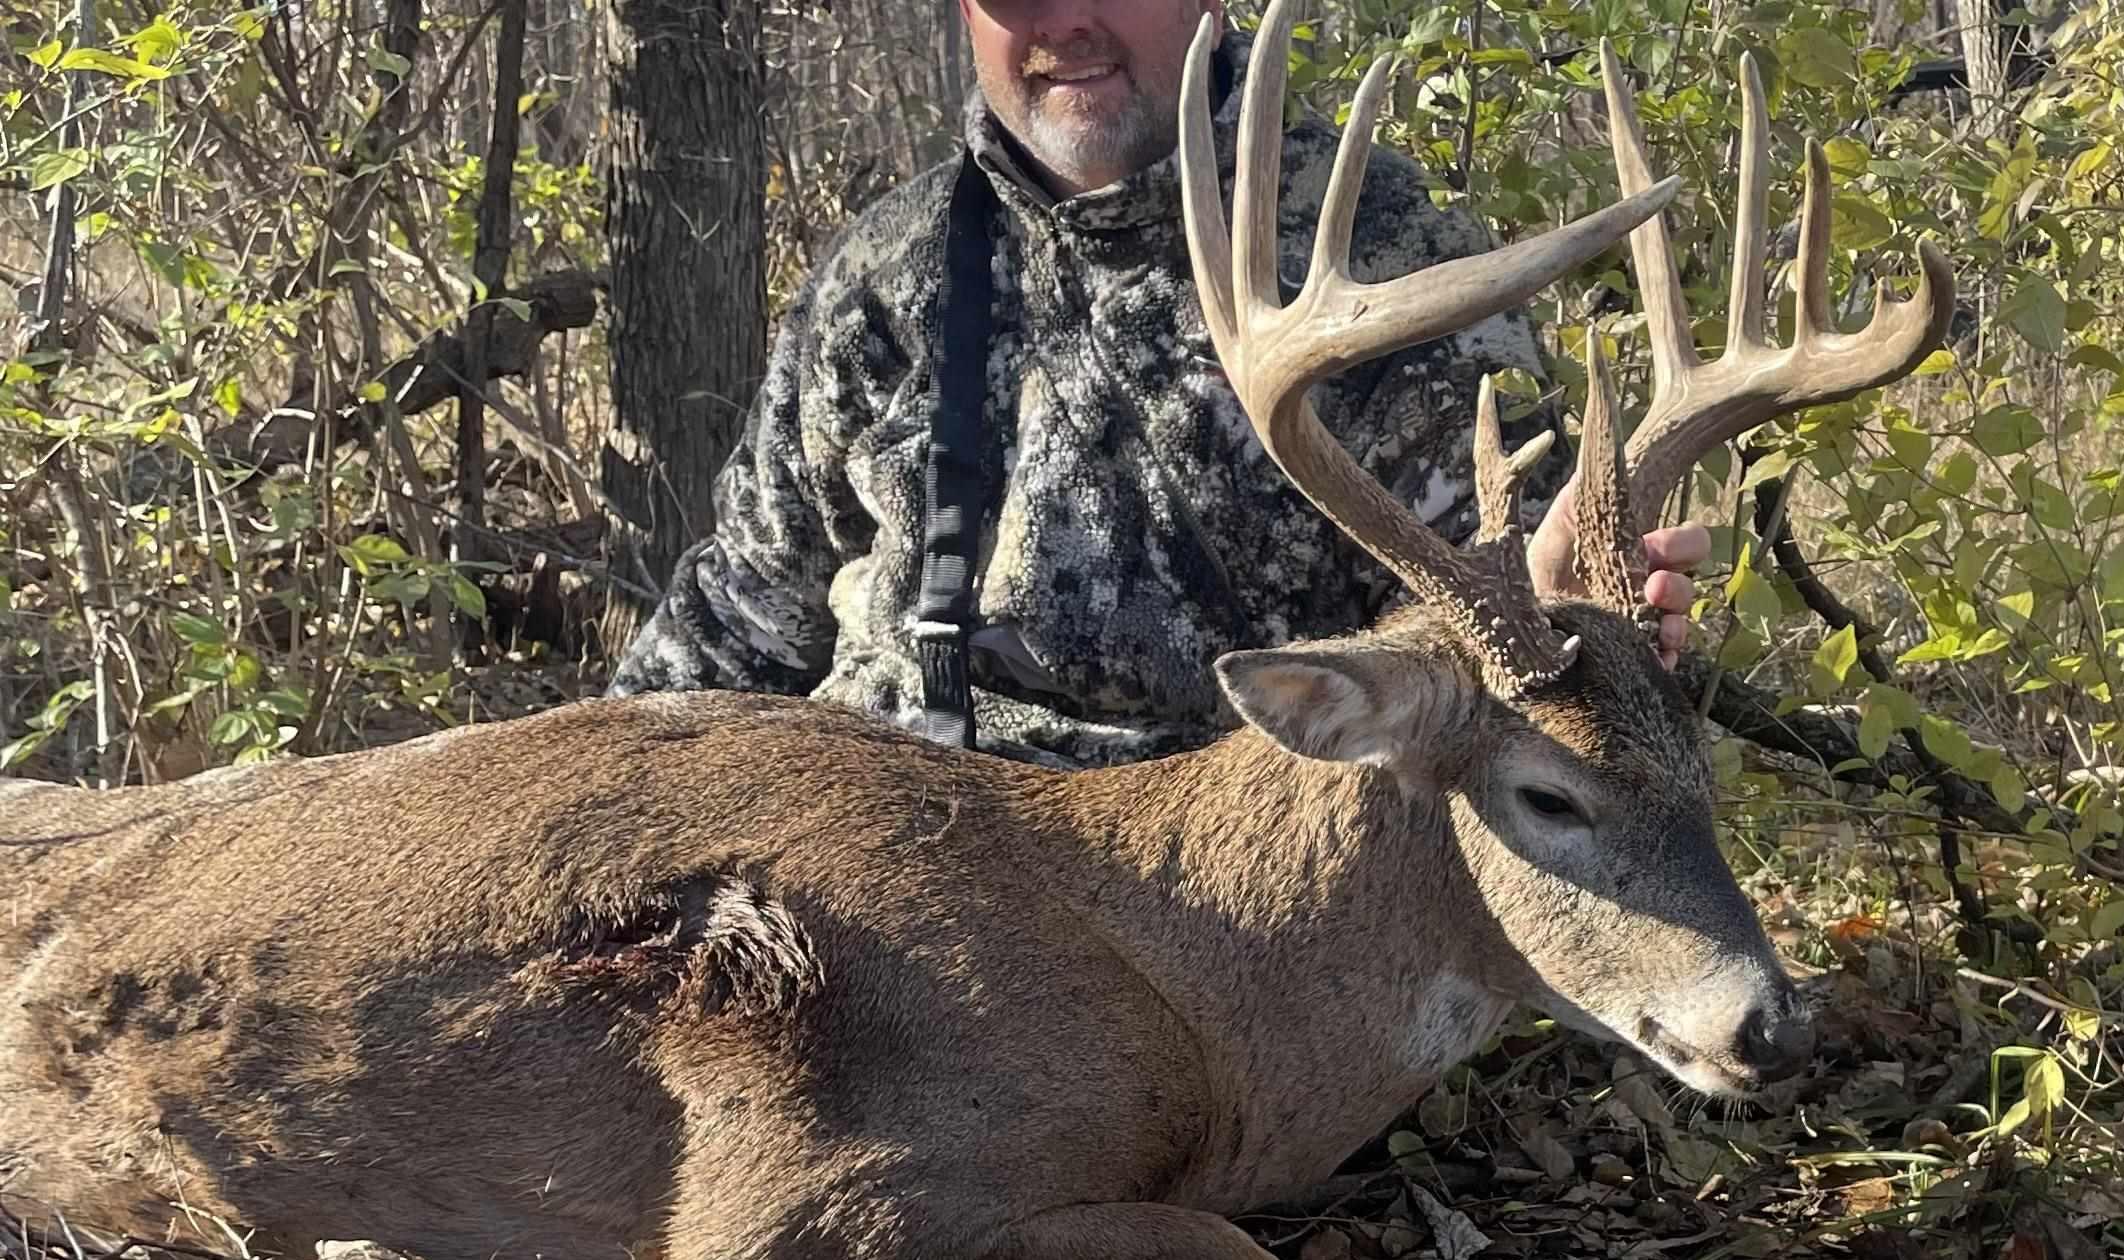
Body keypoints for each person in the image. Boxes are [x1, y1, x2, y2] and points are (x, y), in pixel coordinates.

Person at [604, 0, 1709, 768]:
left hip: (1211, 912)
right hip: (864, 861)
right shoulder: (887, 272)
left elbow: (1501, 633)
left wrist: (1558, 604)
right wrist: (573, 789)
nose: (1067, 22)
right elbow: (746, 607)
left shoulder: (1382, 261)